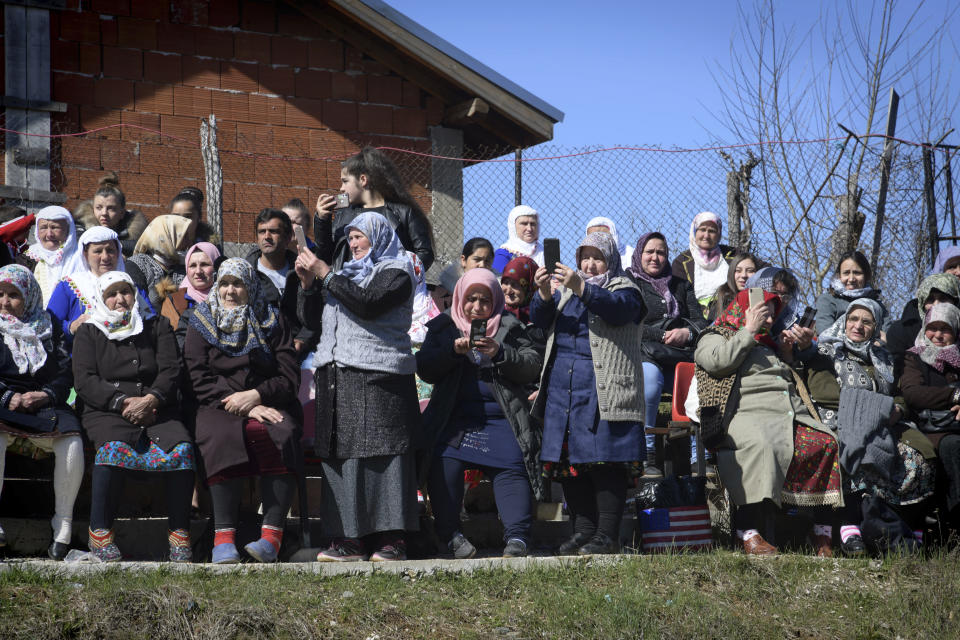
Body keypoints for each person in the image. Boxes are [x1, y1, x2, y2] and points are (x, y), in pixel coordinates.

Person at [295, 211, 421, 562]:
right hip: (337, 375)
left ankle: (391, 540)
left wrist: (325, 274)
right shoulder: (341, 275)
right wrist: (308, 286)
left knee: (385, 457)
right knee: (343, 456)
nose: (352, 244)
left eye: (359, 237)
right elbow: (308, 321)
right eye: (349, 238)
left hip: (381, 378)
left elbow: (367, 304)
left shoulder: (397, 270)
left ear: (378, 237)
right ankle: (347, 540)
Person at [694, 289, 843, 556]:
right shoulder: (714, 335)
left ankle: (820, 533)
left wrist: (787, 355)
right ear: (744, 310)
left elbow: (791, 382)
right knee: (762, 446)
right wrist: (748, 331)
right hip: (744, 414)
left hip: (788, 414)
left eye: (773, 316)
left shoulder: (771, 344)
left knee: (825, 442)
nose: (770, 321)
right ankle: (747, 532)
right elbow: (716, 363)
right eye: (763, 314)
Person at [530, 232, 645, 555]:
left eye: (598, 257)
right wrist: (543, 292)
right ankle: (583, 531)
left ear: (611, 261)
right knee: (570, 463)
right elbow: (539, 321)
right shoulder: (565, 292)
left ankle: (607, 534)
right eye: (585, 257)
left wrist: (580, 287)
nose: (589, 264)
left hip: (603, 390)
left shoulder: (625, 289)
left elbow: (617, 310)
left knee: (606, 461)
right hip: (565, 391)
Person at [418, 268, 544, 559]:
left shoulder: (510, 327)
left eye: (485, 300)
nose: (477, 307)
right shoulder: (443, 327)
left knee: (513, 462)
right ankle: (450, 537)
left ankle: (517, 539)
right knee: (442, 459)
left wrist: (500, 353)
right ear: (460, 299)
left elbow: (531, 364)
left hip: (503, 421)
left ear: (495, 301)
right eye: (471, 299)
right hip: (456, 423)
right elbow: (424, 367)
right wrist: (451, 352)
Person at [184, 259, 303, 564]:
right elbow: (198, 377)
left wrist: (256, 395)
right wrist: (240, 403)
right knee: (220, 436)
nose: (230, 291)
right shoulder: (201, 320)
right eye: (224, 283)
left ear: (250, 287)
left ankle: (271, 539)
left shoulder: (272, 320)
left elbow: (289, 376)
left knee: (281, 431)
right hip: (218, 403)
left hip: (268, 401)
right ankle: (223, 539)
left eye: (237, 284)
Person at [72, 271, 194, 562]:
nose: (119, 299)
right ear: (101, 299)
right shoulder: (90, 332)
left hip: (157, 409)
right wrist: (123, 402)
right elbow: (85, 380)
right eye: (111, 294)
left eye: (125, 292)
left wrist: (152, 399)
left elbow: (171, 369)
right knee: (113, 451)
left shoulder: (156, 325)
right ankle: (100, 532)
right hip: (107, 410)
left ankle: (180, 534)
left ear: (134, 294)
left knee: (182, 449)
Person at [807, 298, 935, 554]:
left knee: (921, 458)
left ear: (876, 328)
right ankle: (850, 527)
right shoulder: (827, 352)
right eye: (853, 319)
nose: (858, 326)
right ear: (844, 322)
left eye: (867, 322)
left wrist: (896, 409)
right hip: (842, 421)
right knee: (859, 452)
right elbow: (823, 391)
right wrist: (876, 406)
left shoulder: (884, 358)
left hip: (885, 423)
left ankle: (908, 528)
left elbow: (897, 393)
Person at [0, 265, 83, 560]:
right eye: (0, 294)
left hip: (44, 404)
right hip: (3, 402)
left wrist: (45, 394)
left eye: (13, 295)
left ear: (30, 296)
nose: (5, 302)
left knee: (71, 441)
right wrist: (7, 395)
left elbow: (64, 371)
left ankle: (62, 525)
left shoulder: (49, 326)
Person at [626, 232, 706, 476]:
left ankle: (698, 455)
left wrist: (686, 333)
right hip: (645, 352)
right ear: (640, 254)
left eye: (661, 252)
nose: (655, 257)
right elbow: (629, 323)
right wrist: (660, 335)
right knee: (650, 384)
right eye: (649, 252)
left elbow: (700, 322)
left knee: (697, 386)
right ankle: (648, 455)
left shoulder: (680, 284)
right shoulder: (630, 282)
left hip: (679, 354)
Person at [314, 146, 434, 271]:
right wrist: (322, 220)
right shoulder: (343, 215)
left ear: (363, 180)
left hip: (391, 288)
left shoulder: (403, 213)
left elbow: (425, 254)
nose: (341, 189)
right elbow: (325, 257)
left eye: (345, 181)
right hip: (347, 287)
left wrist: (400, 277)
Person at [900, 303, 960, 533]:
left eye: (945, 329)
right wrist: (954, 395)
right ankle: (953, 528)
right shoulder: (914, 357)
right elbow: (914, 394)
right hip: (930, 430)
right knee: (953, 447)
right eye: (932, 328)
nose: (937, 335)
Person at [246, 208, 313, 355]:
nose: (267, 236)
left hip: (297, 351)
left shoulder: (303, 271)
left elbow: (315, 313)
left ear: (288, 237)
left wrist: (302, 340)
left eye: (274, 231)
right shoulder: (246, 274)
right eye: (262, 231)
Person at [47, 226, 126, 343]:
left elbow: (150, 320)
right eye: (98, 251)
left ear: (118, 253)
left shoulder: (129, 286)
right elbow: (49, 322)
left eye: (110, 250)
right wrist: (71, 327)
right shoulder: (70, 286)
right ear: (85, 254)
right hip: (80, 356)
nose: (105, 257)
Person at [887, 273, 960, 370]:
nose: (936, 304)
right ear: (922, 303)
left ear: (955, 302)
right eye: (930, 300)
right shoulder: (901, 331)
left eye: (943, 299)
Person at [671, 212, 739, 314]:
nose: (706, 236)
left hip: (731, 313)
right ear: (694, 231)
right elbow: (679, 298)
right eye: (702, 230)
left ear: (719, 233)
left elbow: (761, 268)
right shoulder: (681, 262)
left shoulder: (733, 255)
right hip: (695, 317)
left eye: (712, 231)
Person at [126, 214, 194, 314]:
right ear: (168, 238)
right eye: (184, 237)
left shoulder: (188, 267)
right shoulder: (137, 265)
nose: (189, 242)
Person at [160, 242, 221, 348]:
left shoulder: (228, 298)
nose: (198, 271)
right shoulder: (174, 301)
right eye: (192, 266)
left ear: (217, 267)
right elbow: (170, 343)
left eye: (204, 264)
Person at [815, 251, 890, 335]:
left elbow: (888, 336)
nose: (851, 279)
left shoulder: (877, 305)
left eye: (857, 273)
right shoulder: (828, 300)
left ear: (866, 276)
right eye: (846, 273)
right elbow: (825, 333)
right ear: (839, 275)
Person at [82, 172, 148, 256]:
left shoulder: (135, 232)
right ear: (93, 209)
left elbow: (143, 247)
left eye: (111, 208)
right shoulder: (82, 226)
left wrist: (116, 244)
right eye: (99, 208)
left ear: (122, 213)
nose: (104, 213)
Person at [24, 206, 79, 304]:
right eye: (43, 228)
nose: (49, 234)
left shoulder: (80, 259)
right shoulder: (27, 260)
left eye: (55, 227)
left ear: (68, 230)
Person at [434, 238, 495, 311]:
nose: (482, 265)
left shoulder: (498, 292)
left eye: (487, 261)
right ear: (463, 260)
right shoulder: (443, 294)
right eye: (477, 259)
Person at [707, 253, 759, 322]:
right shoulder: (720, 302)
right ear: (731, 273)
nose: (744, 275)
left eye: (750, 271)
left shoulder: (764, 300)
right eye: (738, 270)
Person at [492, 205, 542, 272]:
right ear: (513, 226)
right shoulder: (503, 254)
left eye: (533, 224)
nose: (529, 229)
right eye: (524, 224)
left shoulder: (545, 253)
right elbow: (499, 280)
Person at [500, 256, 538, 324]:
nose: (508, 291)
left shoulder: (540, 314)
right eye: (505, 283)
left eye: (515, 285)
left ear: (529, 287)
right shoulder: (494, 311)